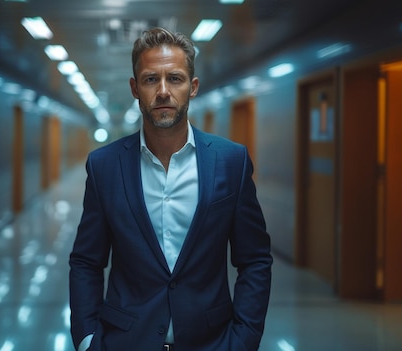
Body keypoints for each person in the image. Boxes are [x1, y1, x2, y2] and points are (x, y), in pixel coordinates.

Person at [69, 27, 272, 351]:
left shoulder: (230, 161)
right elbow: (86, 261)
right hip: (125, 342)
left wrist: (243, 339)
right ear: (135, 88)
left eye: (175, 79)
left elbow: (255, 259)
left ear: (192, 87)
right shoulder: (104, 166)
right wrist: (87, 339)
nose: (163, 91)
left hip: (212, 342)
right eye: (151, 79)